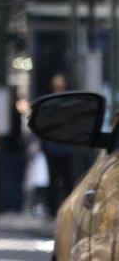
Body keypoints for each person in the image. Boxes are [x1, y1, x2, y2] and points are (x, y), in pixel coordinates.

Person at [41, 75, 77, 215]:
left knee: (67, 178)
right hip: (53, 146)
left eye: (61, 86)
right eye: (57, 87)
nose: (59, 89)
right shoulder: (50, 103)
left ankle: (66, 207)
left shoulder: (69, 102)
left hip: (66, 146)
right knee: (54, 178)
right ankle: (53, 208)